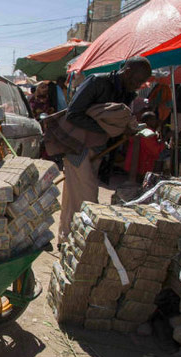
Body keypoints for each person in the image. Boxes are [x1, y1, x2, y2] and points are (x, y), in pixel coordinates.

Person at [58, 56, 152, 244]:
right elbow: (73, 114)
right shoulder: (97, 82)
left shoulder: (127, 93)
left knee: (73, 196)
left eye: (142, 83)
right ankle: (80, 244)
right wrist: (108, 129)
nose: (138, 86)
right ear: (127, 72)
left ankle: (65, 239)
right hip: (78, 147)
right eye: (136, 81)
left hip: (97, 150)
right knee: (87, 199)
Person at [124, 111, 166, 177]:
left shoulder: (140, 129)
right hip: (143, 165)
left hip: (136, 164)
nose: (156, 121)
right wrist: (164, 140)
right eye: (154, 119)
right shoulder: (147, 132)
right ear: (149, 120)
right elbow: (154, 150)